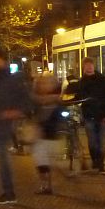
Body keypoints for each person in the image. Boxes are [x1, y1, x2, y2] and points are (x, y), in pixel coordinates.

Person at [0, 47, 32, 204]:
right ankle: (8, 190)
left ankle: (9, 192)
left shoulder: (12, 80)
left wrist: (12, 113)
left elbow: (25, 102)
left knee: (3, 158)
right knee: (2, 158)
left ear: (1, 60)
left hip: (6, 124)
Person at [71, 57, 105, 174]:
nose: (89, 68)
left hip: (103, 116)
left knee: (101, 142)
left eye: (91, 65)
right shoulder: (81, 82)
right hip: (89, 116)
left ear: (93, 66)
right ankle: (95, 161)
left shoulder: (103, 81)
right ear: (84, 67)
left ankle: (101, 165)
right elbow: (78, 97)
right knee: (92, 141)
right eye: (87, 66)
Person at [30, 66, 62, 194]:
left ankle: (48, 185)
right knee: (41, 162)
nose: (45, 85)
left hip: (50, 134)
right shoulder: (36, 99)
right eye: (43, 83)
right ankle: (45, 185)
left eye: (48, 83)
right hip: (40, 135)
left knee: (47, 161)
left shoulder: (56, 99)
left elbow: (60, 114)